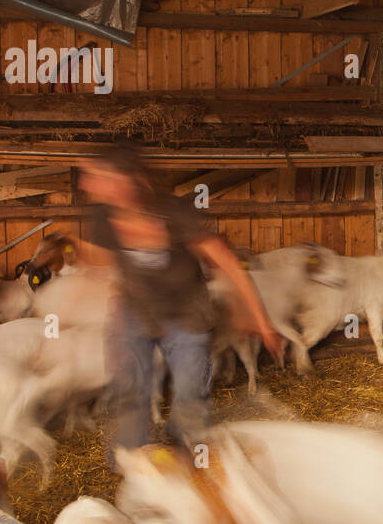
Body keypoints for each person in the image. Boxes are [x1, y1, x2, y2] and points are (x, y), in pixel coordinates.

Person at [68, 145, 285, 460]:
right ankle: (131, 465)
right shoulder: (103, 216)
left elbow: (228, 264)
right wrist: (70, 314)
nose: (85, 183)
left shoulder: (175, 213)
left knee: (190, 395)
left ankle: (188, 457)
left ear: (128, 178)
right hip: (135, 312)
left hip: (187, 315)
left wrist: (262, 322)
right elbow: (98, 265)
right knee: (128, 393)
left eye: (97, 175)